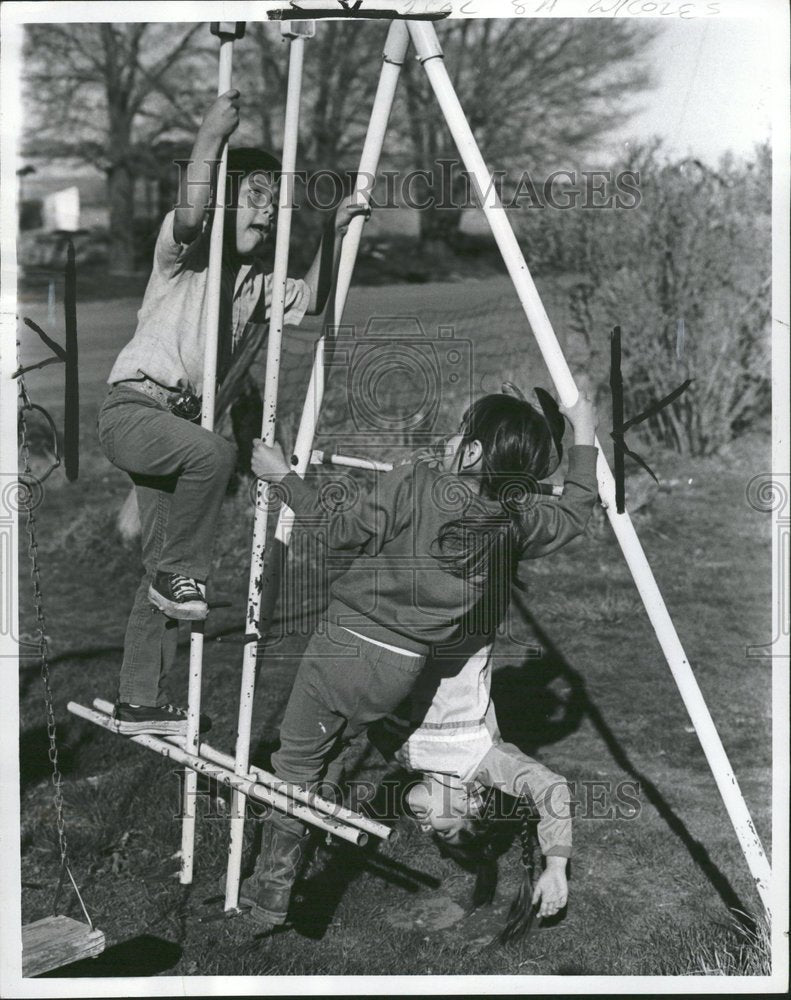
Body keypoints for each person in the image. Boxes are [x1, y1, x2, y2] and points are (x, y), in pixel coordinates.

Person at [242, 386, 599, 928]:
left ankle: (269, 894)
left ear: (475, 453)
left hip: (343, 646)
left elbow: (336, 529)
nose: (451, 440)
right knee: (330, 754)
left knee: (296, 765)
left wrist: (280, 477)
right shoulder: (512, 524)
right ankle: (290, 868)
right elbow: (573, 513)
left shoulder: (418, 481)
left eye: (461, 433)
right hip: (398, 670)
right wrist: (585, 436)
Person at [97, 88, 369, 736]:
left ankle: (140, 696)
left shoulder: (254, 282)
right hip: (134, 408)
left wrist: (331, 230)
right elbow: (192, 212)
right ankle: (180, 577)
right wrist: (208, 140)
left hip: (179, 434)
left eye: (274, 204)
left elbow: (311, 302)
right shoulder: (183, 260)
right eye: (251, 197)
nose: (266, 213)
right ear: (223, 198)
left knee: (164, 572)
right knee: (211, 458)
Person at [369, 634, 572, 944]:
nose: (424, 829)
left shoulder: (395, 749)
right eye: (444, 832)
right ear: (471, 805)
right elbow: (551, 790)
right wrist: (556, 866)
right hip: (463, 612)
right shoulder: (482, 759)